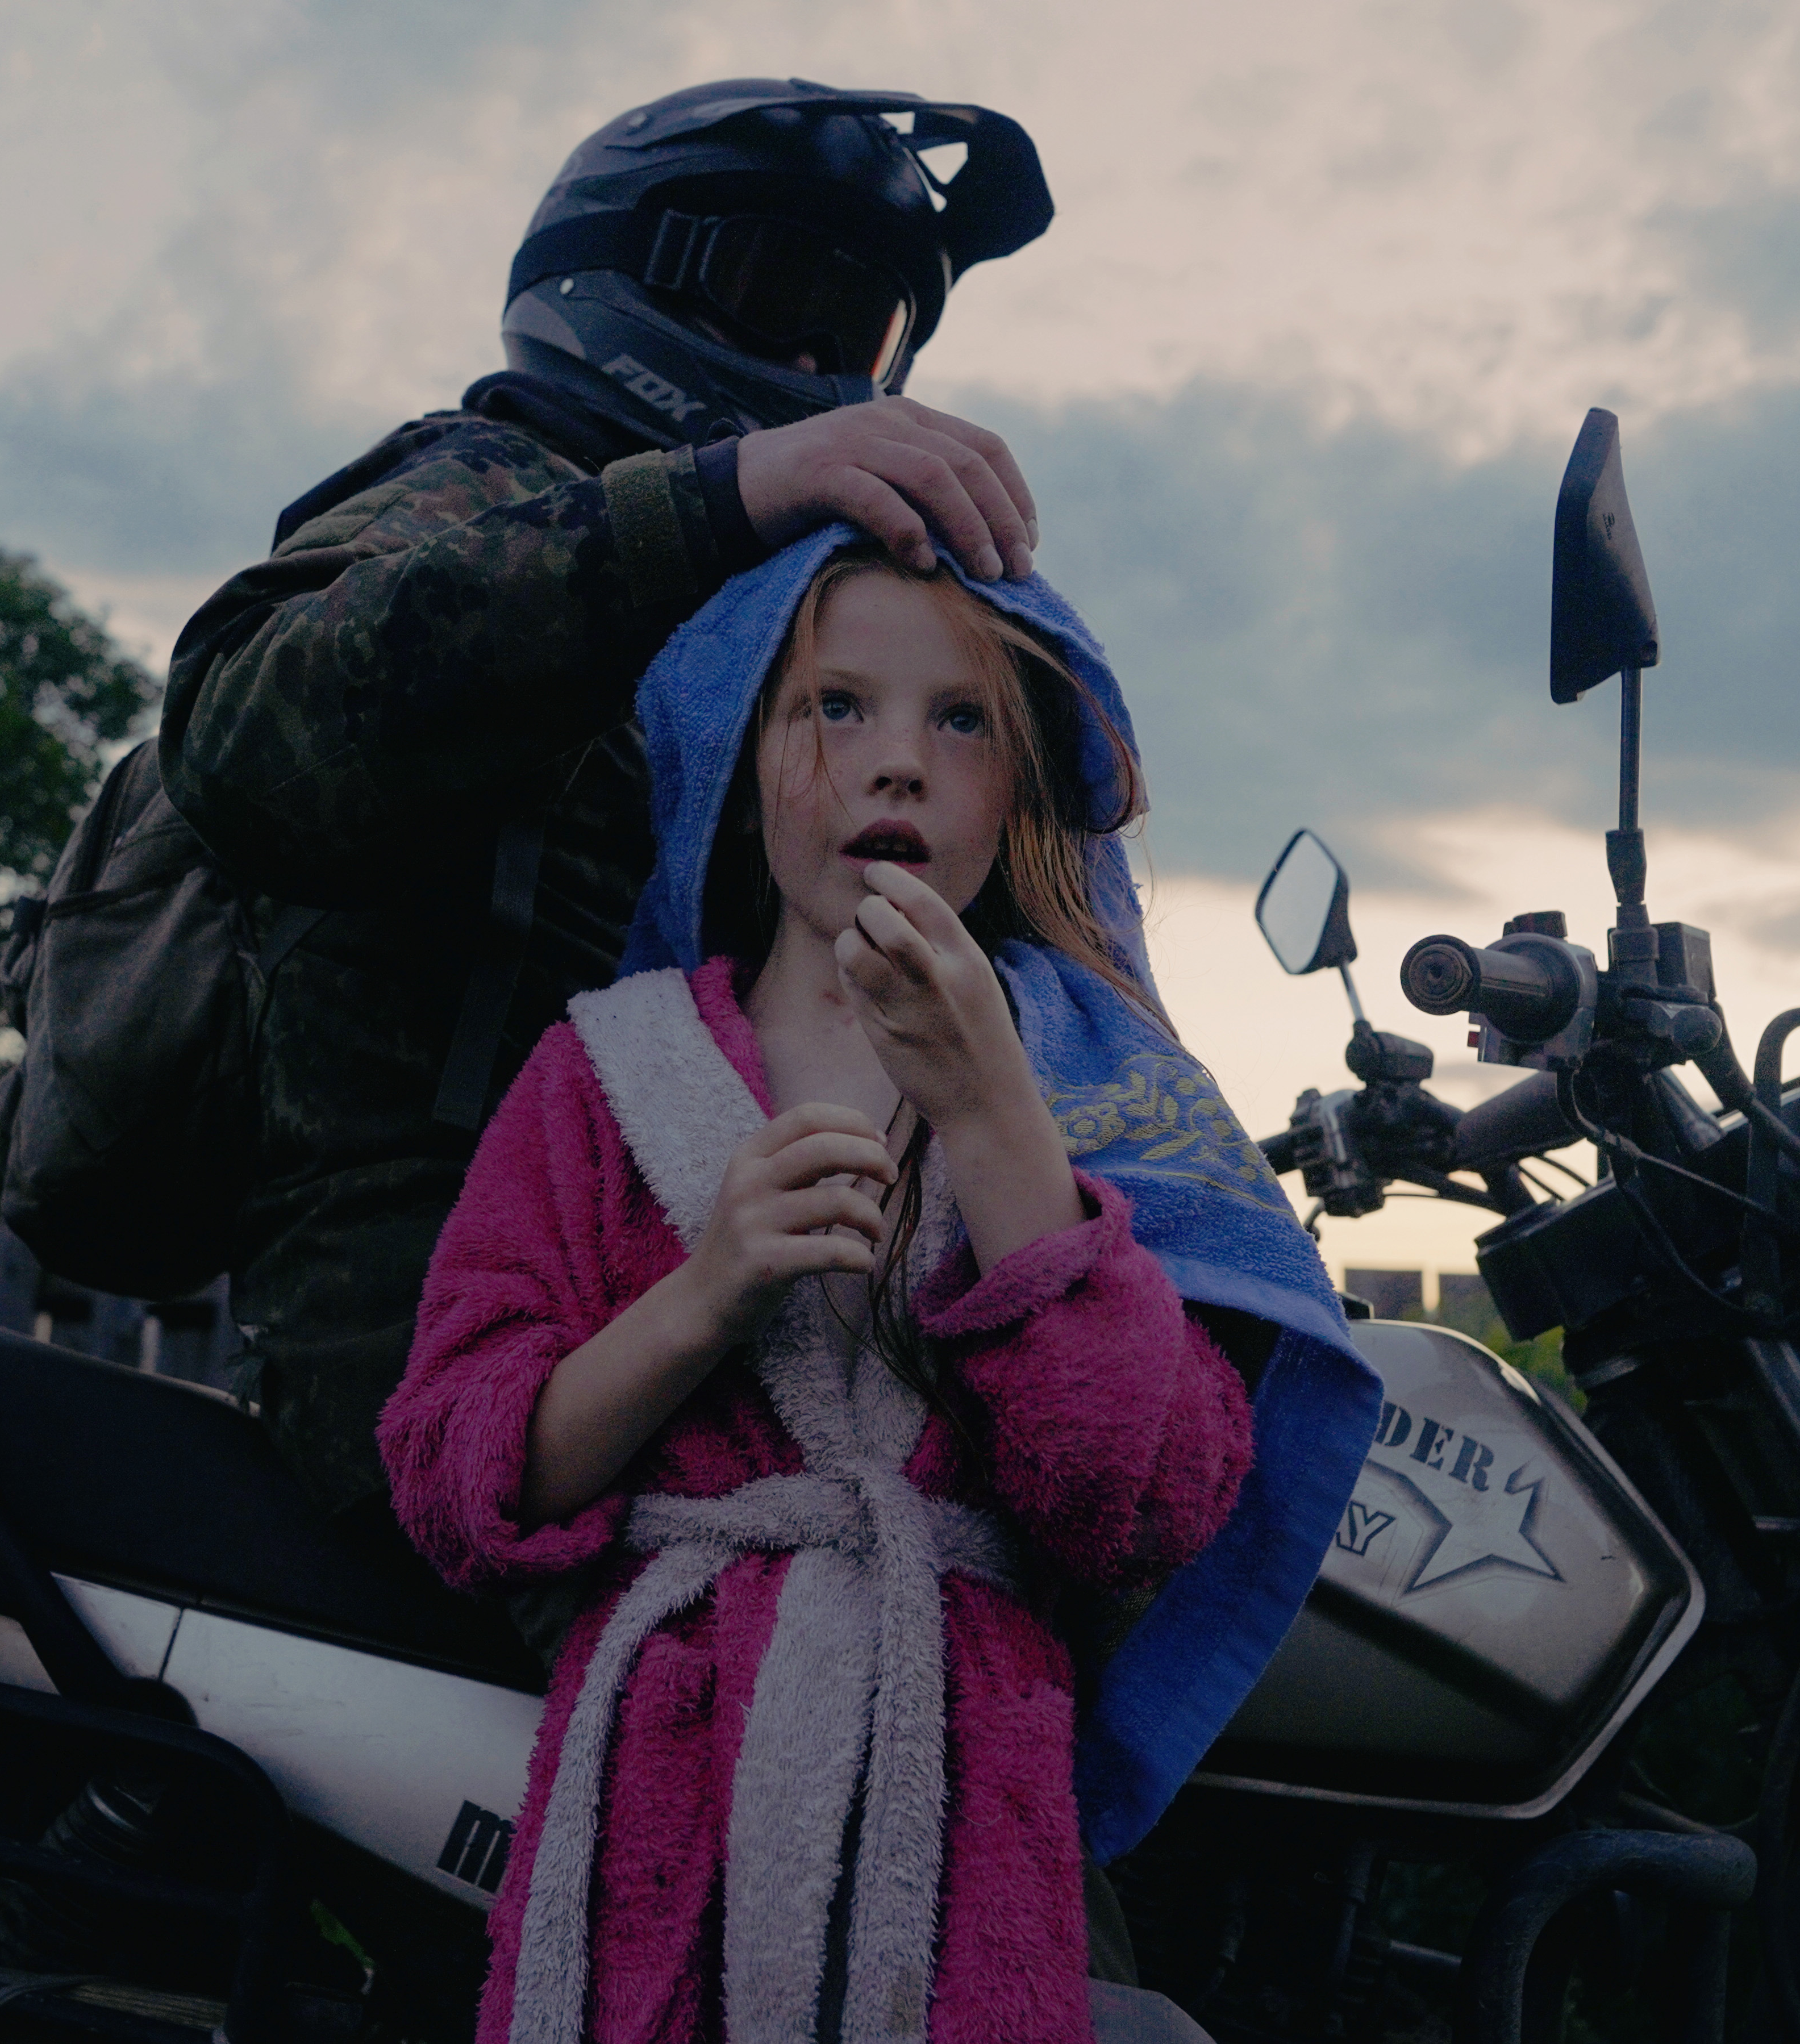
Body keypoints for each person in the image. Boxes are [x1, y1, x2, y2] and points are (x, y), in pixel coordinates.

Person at [381, 536, 1378, 2043]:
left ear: (1017, 787)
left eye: (960, 719)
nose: (895, 763)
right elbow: (455, 1468)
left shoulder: (1102, 1090)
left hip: (959, 1788)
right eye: (834, 706)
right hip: (661, 1778)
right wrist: (698, 1294)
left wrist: (991, 1123)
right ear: (739, 750)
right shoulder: (605, 1067)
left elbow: (1146, 1495)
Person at [159, 80, 1055, 1535]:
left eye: (862, 333)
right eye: (779, 291)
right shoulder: (483, 485)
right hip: (448, 1319)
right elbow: (249, 738)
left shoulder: (778, 612)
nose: (818, 360)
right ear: (623, 271)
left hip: (712, 1270)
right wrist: (711, 498)